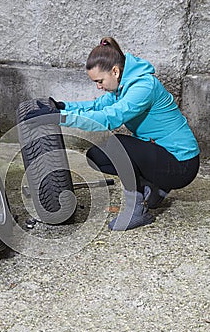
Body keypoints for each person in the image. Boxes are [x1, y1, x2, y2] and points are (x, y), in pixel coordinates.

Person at [24, 37, 200, 231]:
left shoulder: (143, 87)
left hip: (182, 163)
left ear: (115, 71)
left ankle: (137, 210)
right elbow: (97, 106)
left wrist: (60, 118)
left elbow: (109, 118)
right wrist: (63, 107)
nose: (98, 86)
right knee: (97, 156)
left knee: (116, 145)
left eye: (100, 81)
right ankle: (155, 187)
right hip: (160, 154)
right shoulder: (123, 85)